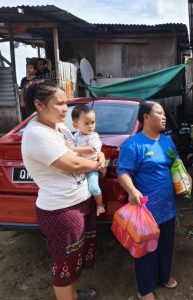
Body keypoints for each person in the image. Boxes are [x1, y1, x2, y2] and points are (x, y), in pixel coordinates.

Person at [21, 79, 105, 300]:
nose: (65, 108)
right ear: (40, 105)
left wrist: (99, 155)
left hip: (80, 202)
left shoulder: (60, 128)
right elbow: (74, 164)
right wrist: (97, 164)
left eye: (65, 103)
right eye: (59, 103)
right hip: (61, 210)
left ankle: (73, 295)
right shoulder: (37, 134)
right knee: (64, 264)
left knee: (75, 258)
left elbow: (82, 152)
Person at [117, 101, 181, 300]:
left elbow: (175, 163)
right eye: (159, 113)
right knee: (146, 248)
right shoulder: (133, 144)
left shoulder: (167, 141)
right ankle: (145, 289)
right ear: (145, 116)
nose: (164, 117)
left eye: (164, 113)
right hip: (146, 209)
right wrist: (132, 190)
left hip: (168, 206)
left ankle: (163, 276)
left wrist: (182, 179)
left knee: (166, 244)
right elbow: (123, 173)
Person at [70, 104, 105, 217]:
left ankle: (100, 205)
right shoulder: (76, 135)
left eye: (93, 122)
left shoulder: (93, 136)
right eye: (86, 123)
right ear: (76, 125)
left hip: (91, 168)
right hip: (79, 168)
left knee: (94, 187)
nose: (91, 126)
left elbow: (91, 149)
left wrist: (74, 149)